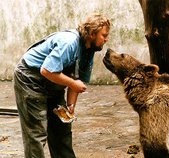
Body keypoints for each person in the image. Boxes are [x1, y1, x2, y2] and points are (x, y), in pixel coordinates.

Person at [13, 13, 111, 158]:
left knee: (61, 127)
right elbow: (46, 70)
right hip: (30, 79)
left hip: (53, 83)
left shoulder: (89, 49)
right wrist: (72, 83)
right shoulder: (69, 42)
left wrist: (71, 106)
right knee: (36, 133)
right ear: (92, 33)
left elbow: (76, 81)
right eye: (104, 35)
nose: (106, 39)